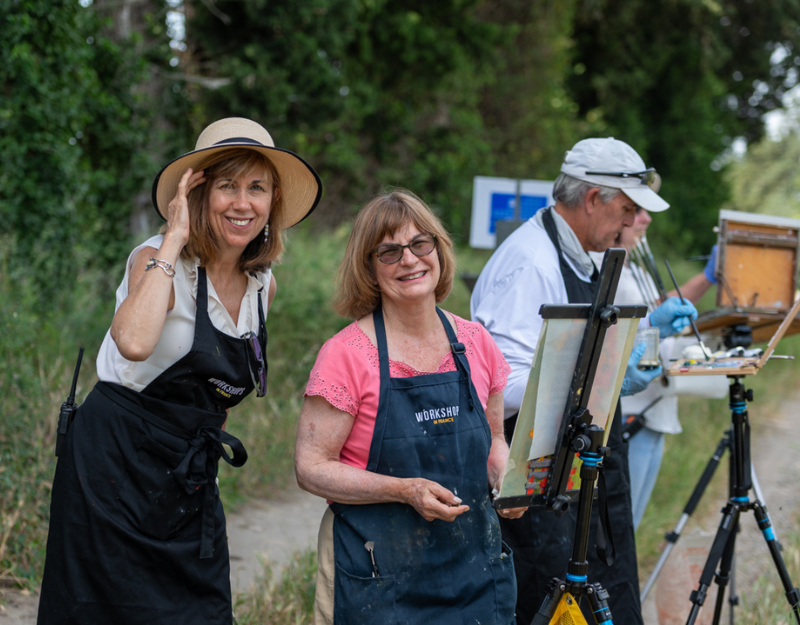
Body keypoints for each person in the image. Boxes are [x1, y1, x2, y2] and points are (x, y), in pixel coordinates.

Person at [37, 117, 322, 625]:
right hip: (113, 467)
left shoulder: (263, 287)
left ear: (272, 203)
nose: (242, 203)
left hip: (186, 480)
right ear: (197, 193)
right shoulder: (156, 259)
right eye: (226, 186)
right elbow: (134, 342)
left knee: (201, 612)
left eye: (257, 188)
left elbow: (216, 396)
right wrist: (173, 239)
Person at [470, 137, 698, 624]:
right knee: (550, 603)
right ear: (594, 199)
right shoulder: (531, 261)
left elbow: (581, 345)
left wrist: (631, 351)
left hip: (584, 465)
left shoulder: (583, 251)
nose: (634, 221)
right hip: (541, 475)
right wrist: (605, 377)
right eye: (628, 208)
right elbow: (500, 383)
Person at [295, 190, 524, 625]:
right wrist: (404, 490)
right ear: (368, 268)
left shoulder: (476, 343)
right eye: (389, 251)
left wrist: (508, 482)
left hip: (474, 568)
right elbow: (311, 467)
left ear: (438, 250)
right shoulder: (346, 354)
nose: (410, 259)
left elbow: (495, 439)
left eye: (421, 244)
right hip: (379, 576)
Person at [592, 218, 723, 530]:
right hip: (633, 414)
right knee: (621, 525)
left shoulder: (634, 269)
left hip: (653, 409)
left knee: (631, 523)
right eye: (633, 210)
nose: (645, 218)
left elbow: (657, 316)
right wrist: (708, 276)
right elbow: (645, 326)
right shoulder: (611, 272)